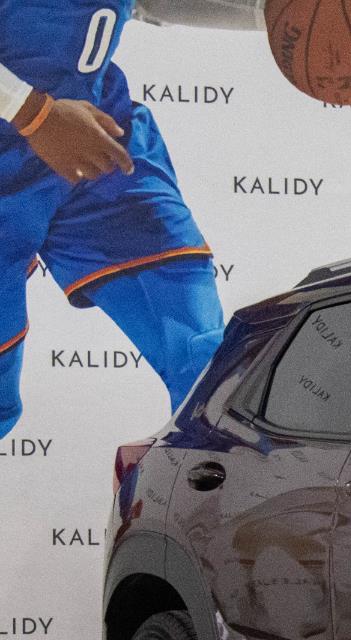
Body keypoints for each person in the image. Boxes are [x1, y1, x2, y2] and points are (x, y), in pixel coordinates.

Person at [0, 0, 265, 440]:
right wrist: (32, 114)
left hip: (95, 140)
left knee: (207, 368)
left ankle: (215, 480)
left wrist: (273, 12)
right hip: (37, 132)